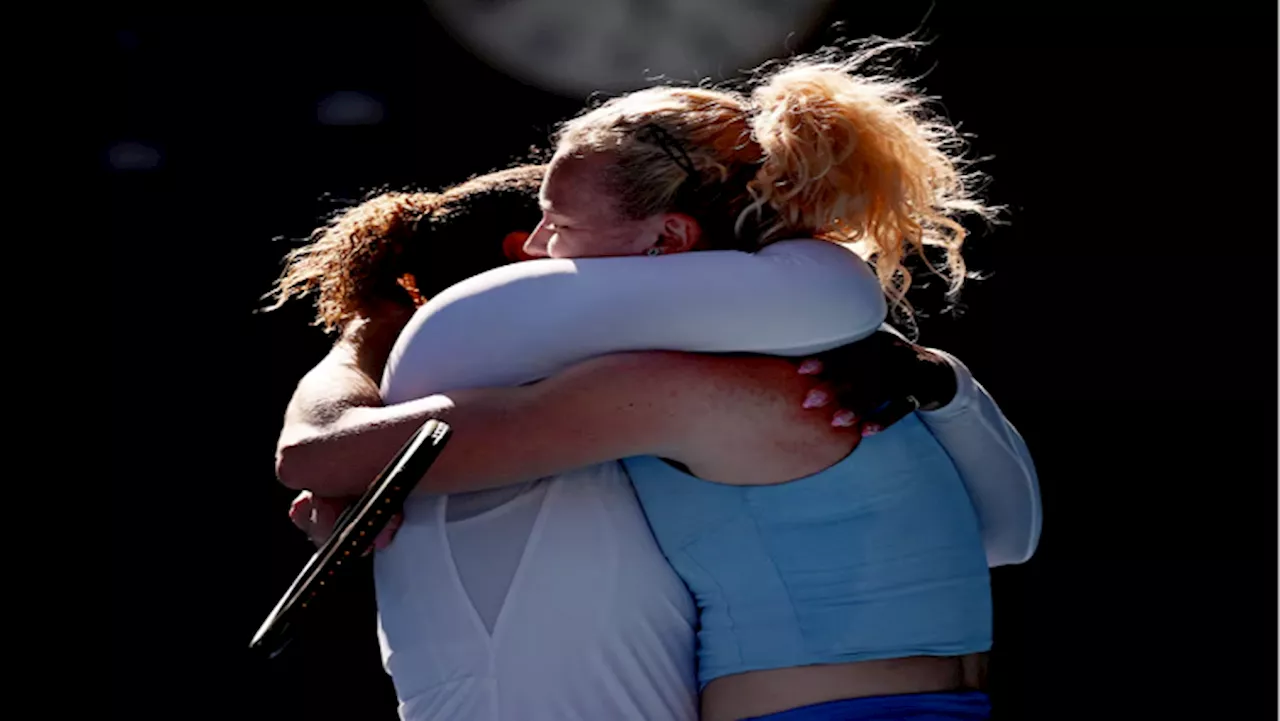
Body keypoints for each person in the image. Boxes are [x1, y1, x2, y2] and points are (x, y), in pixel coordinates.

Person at [274, 41, 1040, 721]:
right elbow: (1009, 538)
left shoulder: (677, 389)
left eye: (557, 222)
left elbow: (321, 456)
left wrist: (370, 331)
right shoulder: (878, 364)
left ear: (670, 237)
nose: (537, 249)